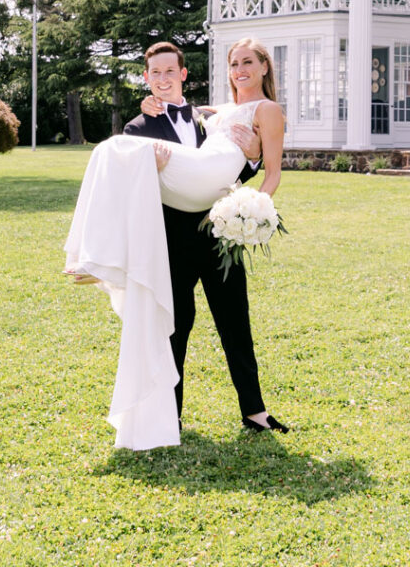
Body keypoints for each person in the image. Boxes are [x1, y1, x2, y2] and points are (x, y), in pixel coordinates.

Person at [63, 38, 287, 450]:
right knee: (174, 326)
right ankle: (171, 415)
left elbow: (250, 165)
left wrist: (251, 181)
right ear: (147, 79)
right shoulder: (143, 125)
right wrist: (152, 146)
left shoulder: (226, 113)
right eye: (234, 63)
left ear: (184, 75)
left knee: (236, 322)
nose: (239, 69)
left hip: (220, 231)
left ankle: (255, 411)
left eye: (247, 63)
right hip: (172, 240)